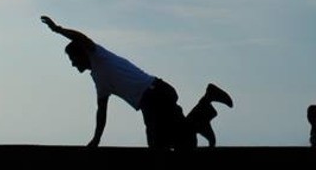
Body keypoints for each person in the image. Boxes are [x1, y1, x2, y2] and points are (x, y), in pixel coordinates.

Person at [39, 15, 233, 148]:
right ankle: (202, 115)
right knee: (181, 144)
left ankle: (203, 111)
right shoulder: (99, 80)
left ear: (81, 55)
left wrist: (58, 29)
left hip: (155, 94)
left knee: (160, 147)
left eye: (73, 60)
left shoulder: (97, 55)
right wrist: (96, 140)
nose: (73, 65)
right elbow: (102, 111)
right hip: (152, 99)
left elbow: (82, 38)